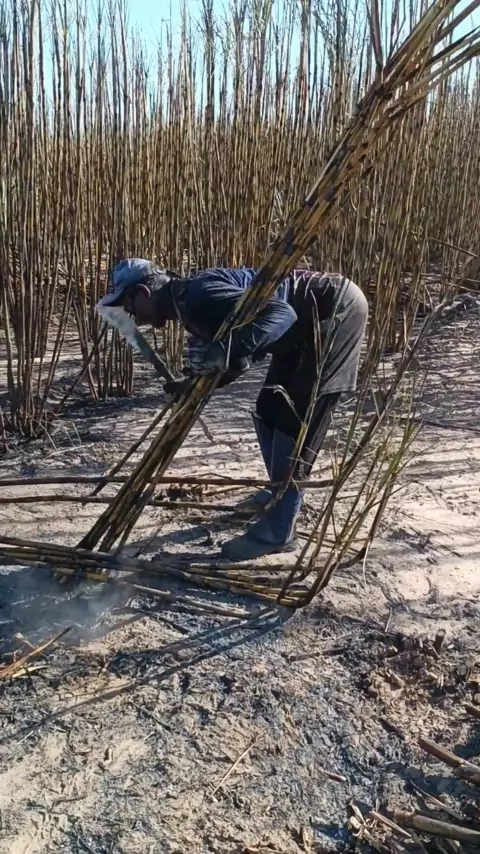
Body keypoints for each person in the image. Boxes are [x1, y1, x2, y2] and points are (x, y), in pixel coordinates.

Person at [99, 258, 368, 560]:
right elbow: (239, 354)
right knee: (269, 408)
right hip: (304, 325)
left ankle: (279, 531)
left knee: (297, 419)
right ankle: (278, 493)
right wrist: (196, 382)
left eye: (128, 305)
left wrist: (224, 351)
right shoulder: (189, 308)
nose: (132, 316)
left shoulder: (199, 296)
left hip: (332, 310)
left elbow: (282, 313)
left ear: (143, 292)